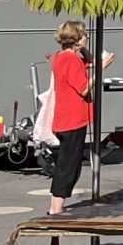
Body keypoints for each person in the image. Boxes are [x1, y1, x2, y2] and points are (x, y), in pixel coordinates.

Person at [46, 22, 96, 216]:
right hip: (73, 118)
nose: (87, 38)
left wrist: (85, 52)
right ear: (76, 40)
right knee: (69, 166)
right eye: (84, 36)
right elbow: (83, 87)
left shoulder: (61, 57)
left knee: (67, 162)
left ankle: (56, 205)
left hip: (64, 118)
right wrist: (100, 71)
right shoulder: (72, 60)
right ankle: (56, 207)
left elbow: (88, 62)